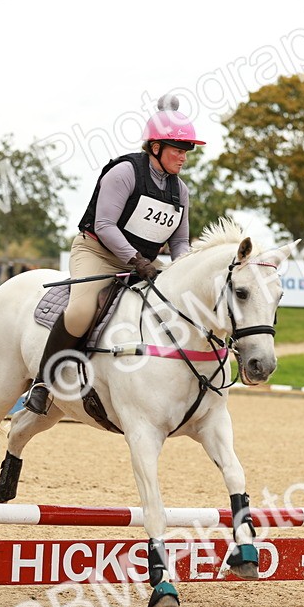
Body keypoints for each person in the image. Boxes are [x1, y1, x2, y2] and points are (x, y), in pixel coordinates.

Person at [24, 95, 203, 415]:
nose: (183, 157)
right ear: (156, 147)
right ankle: (43, 382)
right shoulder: (124, 172)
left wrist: (184, 270)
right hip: (97, 252)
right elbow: (105, 225)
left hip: (143, 263)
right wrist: (137, 260)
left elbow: (180, 242)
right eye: (178, 149)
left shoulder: (181, 191)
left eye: (186, 150)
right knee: (81, 311)